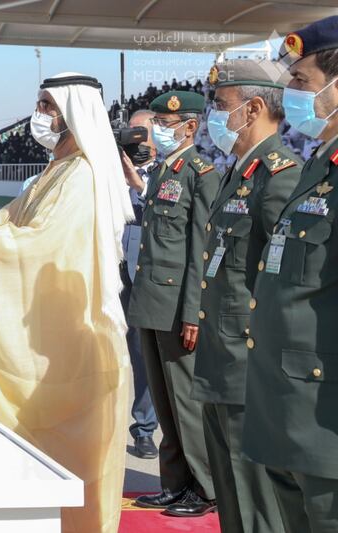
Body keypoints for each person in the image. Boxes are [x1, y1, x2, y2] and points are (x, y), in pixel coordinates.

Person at [0, 72, 134, 533]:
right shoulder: (57, 169)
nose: (40, 116)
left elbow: (41, 244)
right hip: (47, 333)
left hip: (69, 338)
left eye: (48, 106)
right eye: (39, 104)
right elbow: (8, 222)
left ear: (73, 112)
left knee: (68, 459)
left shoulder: (82, 175)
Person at [190, 59, 301, 531]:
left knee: (256, 504)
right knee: (230, 497)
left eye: (220, 105)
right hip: (222, 359)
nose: (213, 115)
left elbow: (283, 282)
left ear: (253, 108)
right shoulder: (240, 172)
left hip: (248, 366)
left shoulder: (280, 176)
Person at [243, 16, 338, 532]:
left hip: (326, 425)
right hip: (287, 411)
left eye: (301, 81)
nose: (291, 93)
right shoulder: (318, 167)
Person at [121, 90, 219, 516]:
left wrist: (194, 311)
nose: (157, 130)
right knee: (163, 402)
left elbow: (201, 247)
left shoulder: (201, 172)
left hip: (179, 306)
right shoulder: (163, 171)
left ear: (190, 126)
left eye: (164, 122)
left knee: (186, 403)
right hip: (152, 301)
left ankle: (205, 487)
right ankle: (175, 483)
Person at [120, 110, 159, 460]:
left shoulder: (168, 175)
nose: (136, 140)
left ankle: (144, 428)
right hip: (110, 270)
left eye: (142, 133)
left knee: (144, 355)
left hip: (144, 276)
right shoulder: (108, 173)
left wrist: (139, 185)